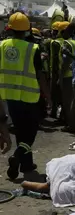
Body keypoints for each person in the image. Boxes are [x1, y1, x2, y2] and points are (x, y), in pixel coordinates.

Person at [0, 12, 47, 179]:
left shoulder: (2, 45)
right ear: (27, 29)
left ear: (10, 29)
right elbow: (40, 75)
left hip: (10, 96)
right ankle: (18, 156)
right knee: (31, 132)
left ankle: (26, 164)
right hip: (30, 97)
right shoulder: (32, 48)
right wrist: (47, 95)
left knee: (20, 130)